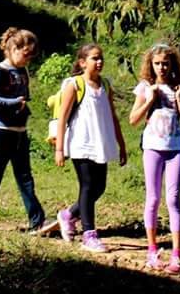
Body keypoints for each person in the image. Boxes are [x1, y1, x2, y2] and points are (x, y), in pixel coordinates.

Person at [0, 28, 58, 234]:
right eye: (26, 54)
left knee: (25, 176)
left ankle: (37, 221)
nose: (28, 60)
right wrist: (11, 102)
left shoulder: (22, 71)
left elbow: (23, 96)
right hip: (1, 129)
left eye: (31, 56)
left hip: (20, 130)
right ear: (14, 49)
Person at [54, 43, 127, 253]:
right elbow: (62, 118)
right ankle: (89, 235)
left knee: (99, 187)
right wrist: (59, 149)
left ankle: (68, 214)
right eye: (95, 58)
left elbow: (112, 116)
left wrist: (121, 144)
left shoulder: (105, 84)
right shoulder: (75, 85)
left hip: (100, 143)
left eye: (101, 57)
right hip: (81, 143)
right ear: (82, 62)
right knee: (86, 185)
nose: (99, 61)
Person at [129, 43, 180, 274]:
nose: (161, 68)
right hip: (153, 148)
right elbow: (133, 119)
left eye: (165, 63)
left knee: (173, 198)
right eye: (157, 63)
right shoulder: (145, 87)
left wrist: (179, 99)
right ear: (151, 65)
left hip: (174, 148)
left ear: (172, 64)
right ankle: (152, 250)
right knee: (153, 198)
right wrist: (150, 99)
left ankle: (177, 254)